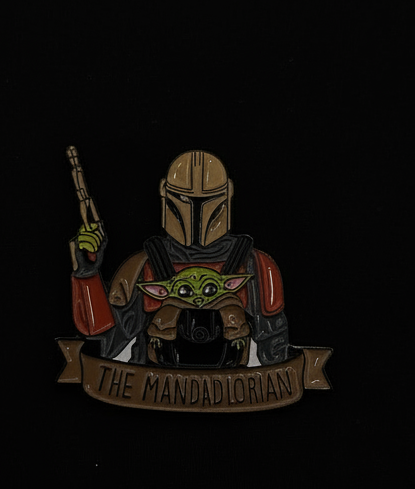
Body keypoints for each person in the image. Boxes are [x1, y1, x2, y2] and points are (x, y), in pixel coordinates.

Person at [70, 150, 289, 367]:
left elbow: (276, 352)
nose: (196, 209)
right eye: (184, 199)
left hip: (233, 384)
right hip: (156, 383)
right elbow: (105, 340)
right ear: (164, 190)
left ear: (228, 191)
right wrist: (87, 272)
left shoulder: (256, 266)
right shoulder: (143, 267)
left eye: (208, 199)